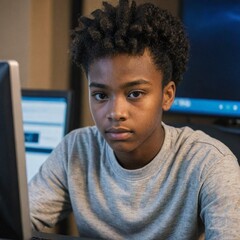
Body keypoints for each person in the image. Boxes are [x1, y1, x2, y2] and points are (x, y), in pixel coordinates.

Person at [29, 0, 240, 239]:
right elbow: (15, 223)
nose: (116, 112)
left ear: (167, 95)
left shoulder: (207, 163)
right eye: (100, 95)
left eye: (135, 94)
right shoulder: (76, 150)